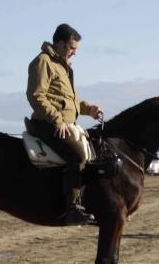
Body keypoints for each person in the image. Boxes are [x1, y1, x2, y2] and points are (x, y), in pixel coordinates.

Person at [26, 23, 103, 225]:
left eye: (75, 49)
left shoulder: (62, 66)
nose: (74, 53)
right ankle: (72, 210)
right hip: (48, 124)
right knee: (77, 157)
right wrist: (57, 120)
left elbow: (70, 101)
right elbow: (36, 95)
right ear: (60, 44)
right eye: (72, 48)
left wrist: (88, 109)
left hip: (64, 123)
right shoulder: (43, 62)